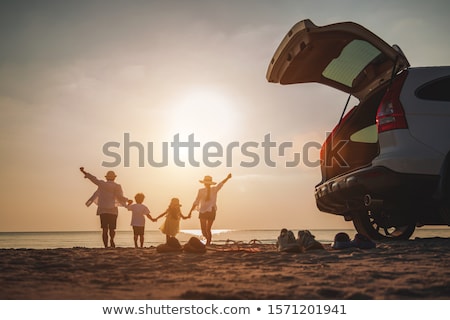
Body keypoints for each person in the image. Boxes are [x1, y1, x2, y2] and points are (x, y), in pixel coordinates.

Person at [80, 167, 128, 248]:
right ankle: (112, 240)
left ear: (106, 177)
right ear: (114, 177)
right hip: (113, 210)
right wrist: (127, 200)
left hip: (103, 210)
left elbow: (93, 179)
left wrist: (84, 172)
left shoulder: (102, 184)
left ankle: (106, 246)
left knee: (104, 229)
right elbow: (119, 197)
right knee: (112, 229)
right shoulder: (117, 186)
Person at [188, 173, 232, 245]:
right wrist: (190, 211)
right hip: (202, 210)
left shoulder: (214, 189)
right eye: (206, 183)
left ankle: (208, 243)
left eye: (208, 183)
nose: (207, 184)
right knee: (203, 230)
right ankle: (208, 241)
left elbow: (221, 184)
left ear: (210, 184)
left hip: (211, 210)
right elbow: (197, 201)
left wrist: (227, 178)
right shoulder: (201, 191)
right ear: (204, 183)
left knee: (208, 229)